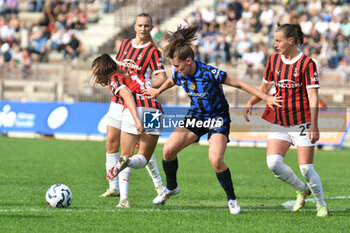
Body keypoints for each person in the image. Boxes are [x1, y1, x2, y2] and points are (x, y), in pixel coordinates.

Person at [142, 23, 281, 215]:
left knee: (216, 160)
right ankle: (172, 187)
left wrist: (265, 98)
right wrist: (158, 90)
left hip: (217, 119)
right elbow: (172, 80)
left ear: (189, 60)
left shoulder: (209, 73)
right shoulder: (180, 73)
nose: (175, 69)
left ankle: (232, 199)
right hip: (196, 117)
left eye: (177, 65)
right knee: (168, 151)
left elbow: (239, 83)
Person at [243, 23, 329, 217]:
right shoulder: (273, 61)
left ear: (290, 41)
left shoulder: (307, 63)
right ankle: (301, 190)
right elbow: (264, 89)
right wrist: (251, 102)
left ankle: (321, 204)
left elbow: (313, 96)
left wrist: (314, 125)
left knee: (306, 169)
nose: (275, 45)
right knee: (273, 163)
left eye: (278, 41)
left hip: (302, 121)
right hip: (280, 120)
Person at [99, 12, 167, 199]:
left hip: (138, 101)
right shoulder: (125, 45)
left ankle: (159, 185)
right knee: (111, 142)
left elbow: (162, 78)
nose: (143, 29)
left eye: (146, 26)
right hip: (118, 100)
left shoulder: (153, 51)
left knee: (140, 147)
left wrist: (146, 86)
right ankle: (113, 187)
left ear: (151, 28)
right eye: (140, 25)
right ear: (135, 27)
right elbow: (119, 68)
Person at [91, 53, 163, 208]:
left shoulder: (114, 78)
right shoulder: (128, 71)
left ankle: (124, 199)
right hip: (155, 109)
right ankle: (155, 182)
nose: (97, 79)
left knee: (125, 154)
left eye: (97, 74)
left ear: (104, 69)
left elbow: (128, 96)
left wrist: (137, 120)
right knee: (143, 158)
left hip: (137, 108)